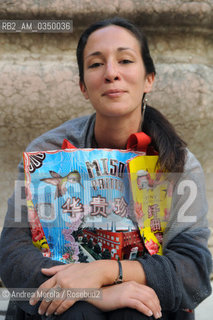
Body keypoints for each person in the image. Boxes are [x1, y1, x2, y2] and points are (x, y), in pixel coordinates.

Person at [0, 17, 212, 320]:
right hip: (63, 304)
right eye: (96, 64)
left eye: (125, 60)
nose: (112, 73)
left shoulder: (176, 162)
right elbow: (13, 255)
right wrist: (94, 293)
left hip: (144, 305)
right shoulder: (45, 153)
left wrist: (107, 271)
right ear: (83, 86)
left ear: (149, 78)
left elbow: (194, 271)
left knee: (135, 312)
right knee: (77, 313)